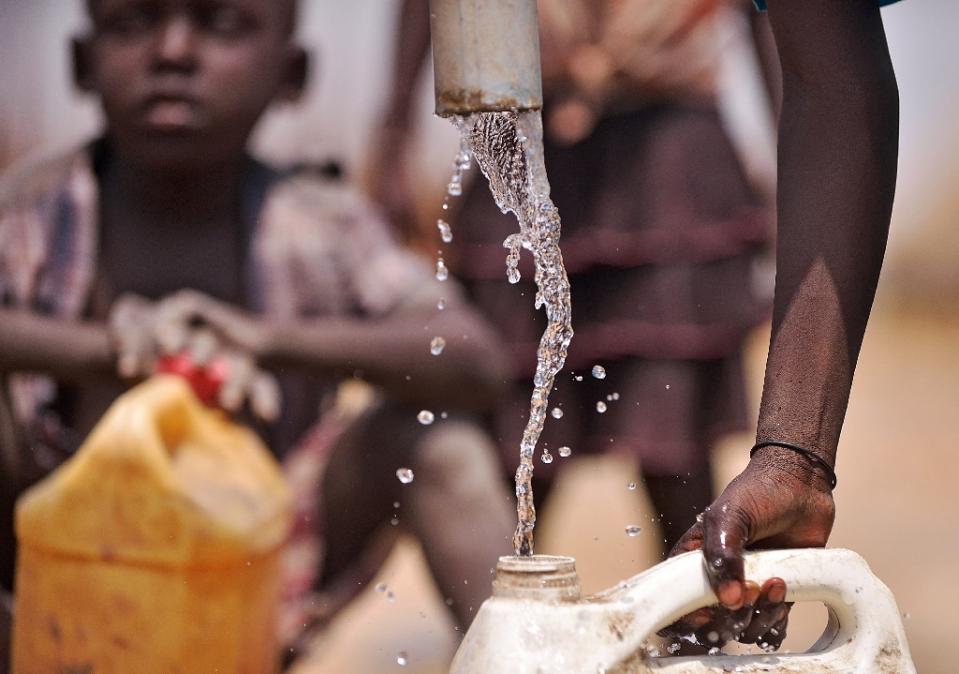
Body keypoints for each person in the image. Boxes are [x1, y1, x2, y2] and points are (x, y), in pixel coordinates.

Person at [0, 0, 513, 666]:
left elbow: (473, 354)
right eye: (131, 24)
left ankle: (525, 657)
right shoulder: (30, 212)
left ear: (291, 74)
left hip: (257, 569)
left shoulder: (322, 221)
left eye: (223, 26)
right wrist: (111, 353)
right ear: (82, 63)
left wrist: (259, 339)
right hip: (47, 582)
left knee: (438, 441)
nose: (174, 53)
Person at [373, 0, 774, 559]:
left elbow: (777, 15)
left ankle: (695, 630)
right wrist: (393, 129)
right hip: (525, 127)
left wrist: (796, 139)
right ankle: (504, 632)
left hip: (669, 152)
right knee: (516, 443)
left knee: (675, 442)